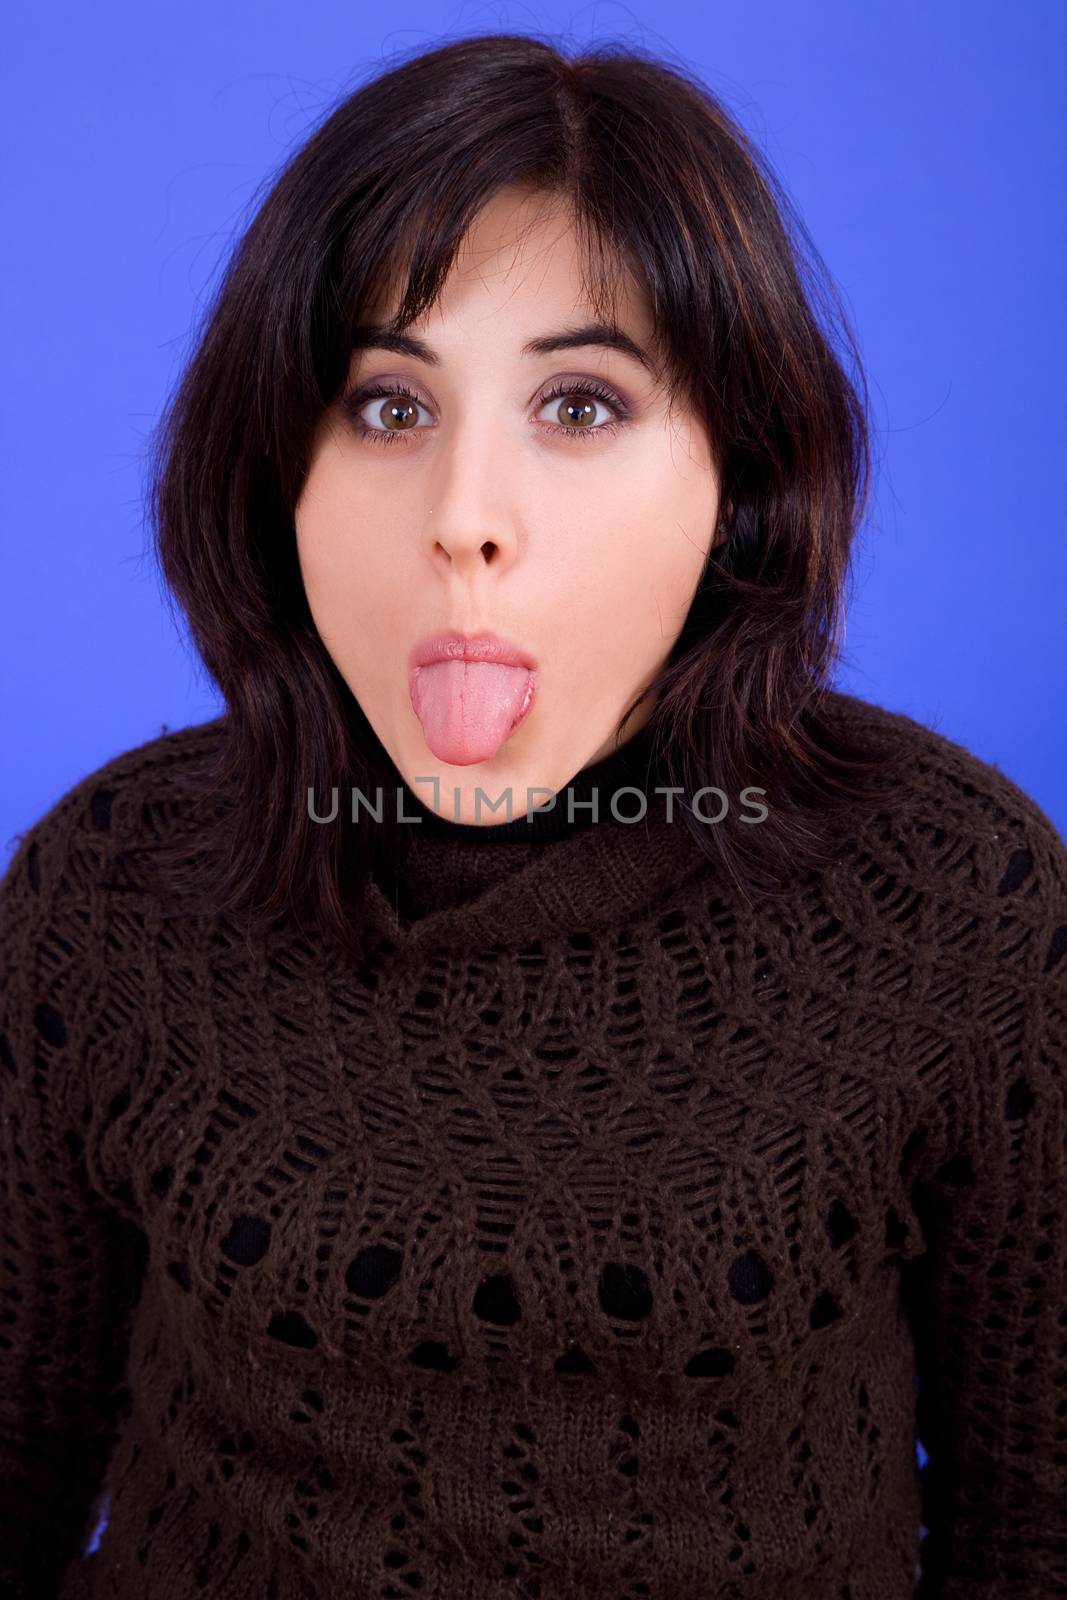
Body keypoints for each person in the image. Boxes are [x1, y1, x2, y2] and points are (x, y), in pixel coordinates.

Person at [1, 31, 1064, 1600]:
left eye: (578, 406)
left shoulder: (959, 900)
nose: (464, 524)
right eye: (383, 406)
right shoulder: (109, 890)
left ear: (741, 477)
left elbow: (1032, 1521)